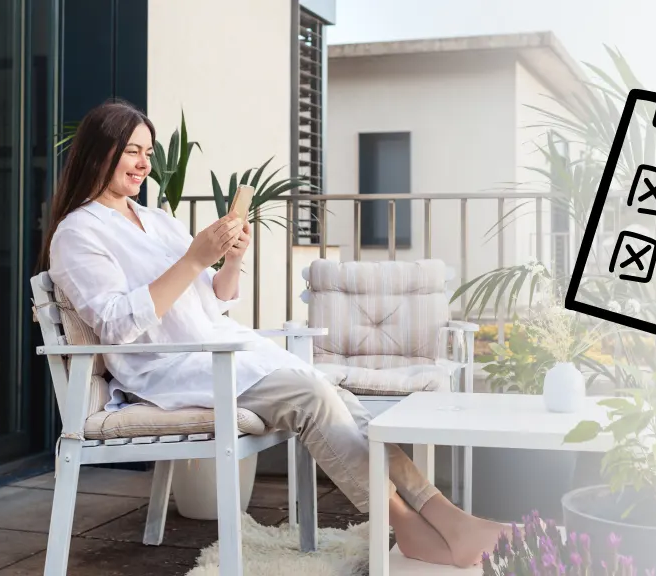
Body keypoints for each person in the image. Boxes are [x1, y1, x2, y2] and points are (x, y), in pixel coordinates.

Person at [39, 99, 506, 568]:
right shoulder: (77, 233)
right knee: (311, 394)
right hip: (169, 369)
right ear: (100, 152)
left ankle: (440, 515)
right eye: (132, 151)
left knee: (339, 397)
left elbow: (215, 298)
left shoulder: (158, 220)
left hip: (222, 351)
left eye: (148, 151)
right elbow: (116, 324)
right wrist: (195, 259)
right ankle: (410, 525)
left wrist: (233, 258)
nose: (144, 164)